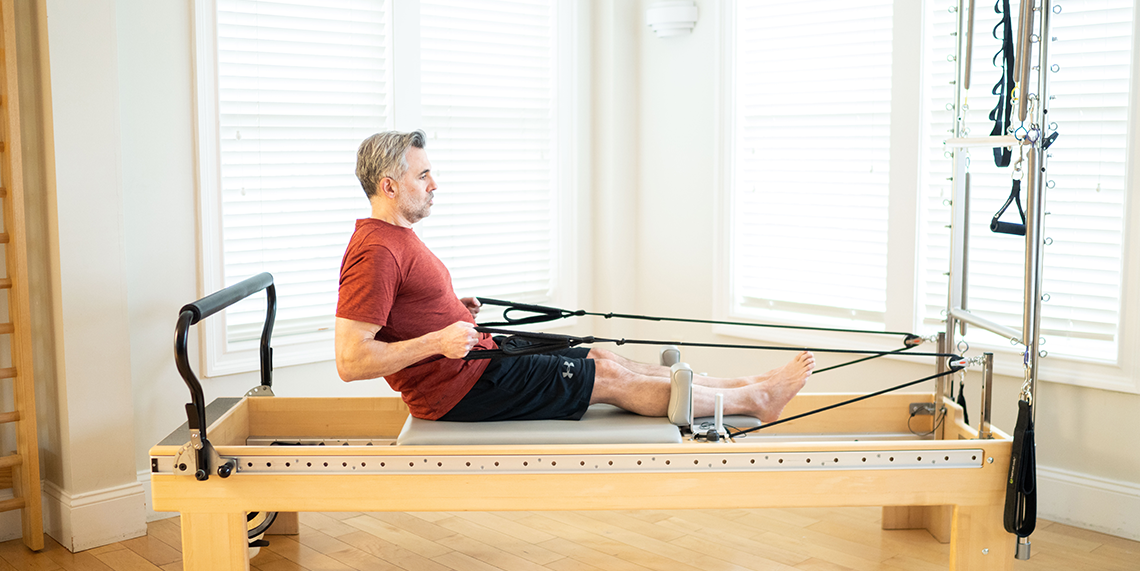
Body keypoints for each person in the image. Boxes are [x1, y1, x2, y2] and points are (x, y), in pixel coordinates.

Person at [334, 130, 816, 422]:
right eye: (424, 176)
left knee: (602, 356)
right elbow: (351, 360)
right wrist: (437, 341)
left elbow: (407, 310)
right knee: (606, 376)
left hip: (475, 360)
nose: (435, 184)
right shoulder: (374, 250)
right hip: (458, 388)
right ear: (390, 186)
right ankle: (757, 400)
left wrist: (456, 312)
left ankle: (745, 384)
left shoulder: (395, 237)